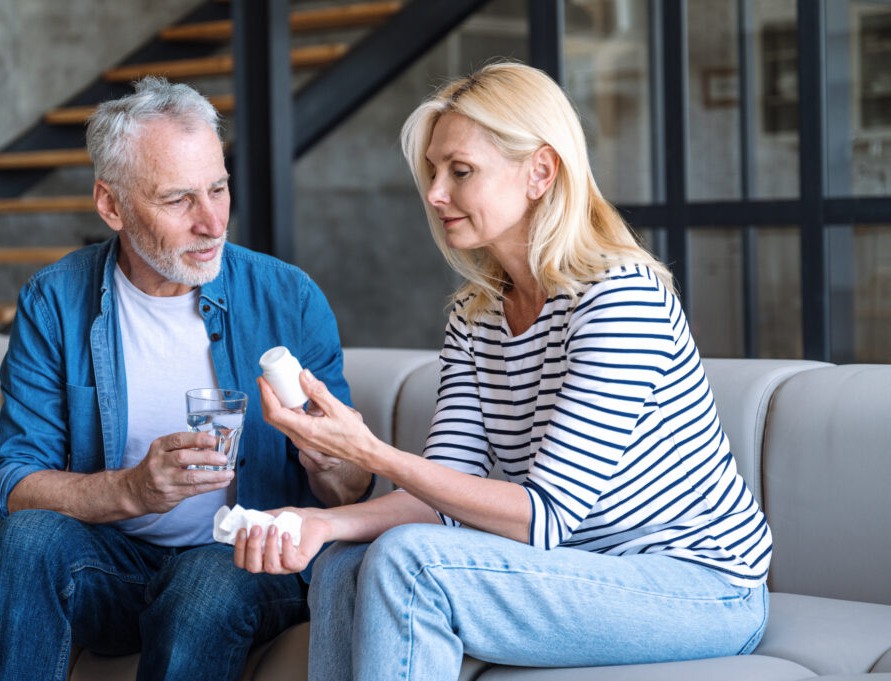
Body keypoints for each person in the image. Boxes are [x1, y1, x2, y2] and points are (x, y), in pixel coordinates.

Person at [232, 62, 772, 681]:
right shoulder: (476, 314)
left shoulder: (621, 299)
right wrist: (323, 523)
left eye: (459, 171)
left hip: (700, 587)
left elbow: (542, 516)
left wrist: (371, 453)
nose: (435, 193)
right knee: (342, 563)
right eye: (434, 172)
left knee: (412, 564)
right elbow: (445, 497)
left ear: (540, 172)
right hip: (576, 568)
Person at [0, 76, 372, 681]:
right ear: (112, 205)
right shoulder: (54, 302)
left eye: (218, 189)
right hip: (114, 563)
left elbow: (351, 492)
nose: (212, 223)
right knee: (25, 544)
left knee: (204, 585)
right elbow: (15, 483)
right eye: (178, 200)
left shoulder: (288, 297)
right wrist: (131, 491)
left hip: (245, 559)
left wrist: (327, 455)